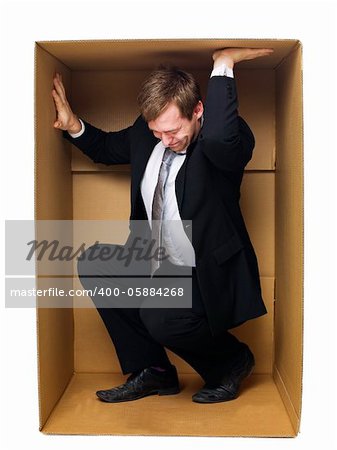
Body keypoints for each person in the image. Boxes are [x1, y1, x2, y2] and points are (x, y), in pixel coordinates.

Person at [52, 47, 273, 404]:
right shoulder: (149, 133)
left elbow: (218, 136)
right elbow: (109, 148)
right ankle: (154, 371)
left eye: (173, 130)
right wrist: (72, 125)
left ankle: (232, 360)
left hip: (202, 265)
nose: (166, 141)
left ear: (198, 111)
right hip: (156, 255)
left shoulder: (223, 143)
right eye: (157, 132)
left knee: (162, 316)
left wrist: (223, 65)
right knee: (95, 262)